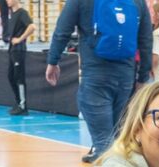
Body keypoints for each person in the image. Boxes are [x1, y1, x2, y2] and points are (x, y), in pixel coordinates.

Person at [46, 0, 151, 157]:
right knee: (118, 137)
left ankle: (106, 163)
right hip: (125, 77)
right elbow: (145, 40)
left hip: (96, 75)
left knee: (103, 142)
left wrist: (53, 61)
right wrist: (143, 77)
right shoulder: (138, 2)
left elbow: (62, 30)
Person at [6, 0, 33, 115]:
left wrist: (20, 39)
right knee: (11, 76)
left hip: (19, 50)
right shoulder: (12, 14)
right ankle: (19, 102)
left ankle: (23, 105)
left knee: (19, 77)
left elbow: (32, 27)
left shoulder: (22, 13)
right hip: (12, 50)